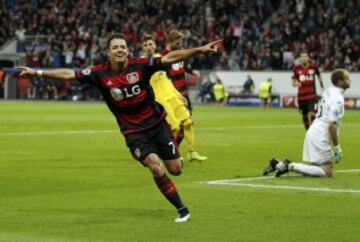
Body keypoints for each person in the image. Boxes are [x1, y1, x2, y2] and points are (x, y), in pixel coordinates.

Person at [18, 33, 222, 222]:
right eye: (115, 47)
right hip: (133, 132)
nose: (119, 50)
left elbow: (170, 57)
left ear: (128, 50)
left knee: (176, 169)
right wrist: (37, 72)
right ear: (108, 52)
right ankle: (182, 210)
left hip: (158, 124)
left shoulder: (141, 65)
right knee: (155, 166)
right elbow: (69, 74)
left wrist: (200, 49)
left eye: (122, 47)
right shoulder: (99, 73)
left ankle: (171, 154)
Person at [263, 69, 351, 178]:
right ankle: (288, 165)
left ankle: (278, 164)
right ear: (340, 82)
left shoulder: (328, 91)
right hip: (321, 135)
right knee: (327, 173)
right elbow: (332, 125)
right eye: (347, 78)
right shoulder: (338, 99)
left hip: (314, 130)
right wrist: (337, 147)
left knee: (315, 168)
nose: (350, 81)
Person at [160, 30, 207, 161]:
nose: (180, 44)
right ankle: (173, 152)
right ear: (170, 42)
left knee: (188, 123)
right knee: (177, 128)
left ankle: (189, 152)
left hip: (184, 94)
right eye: (178, 42)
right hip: (172, 96)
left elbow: (184, 65)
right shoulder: (163, 56)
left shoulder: (179, 54)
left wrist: (192, 72)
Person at [292, 51, 324, 130]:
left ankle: (313, 131)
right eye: (302, 57)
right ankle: (308, 131)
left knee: (312, 113)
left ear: (308, 58)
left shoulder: (314, 67)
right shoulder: (296, 68)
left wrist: (321, 84)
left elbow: (319, 74)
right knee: (305, 115)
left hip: (312, 95)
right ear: (299, 59)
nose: (304, 58)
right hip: (301, 96)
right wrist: (295, 83)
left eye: (305, 56)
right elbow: (294, 80)